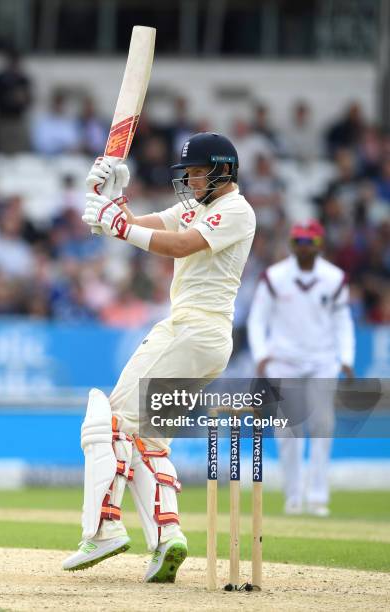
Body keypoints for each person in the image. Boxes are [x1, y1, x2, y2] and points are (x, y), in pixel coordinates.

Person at [62, 132, 256, 582]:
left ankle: (104, 528)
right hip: (202, 339)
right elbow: (140, 224)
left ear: (223, 170)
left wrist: (121, 226)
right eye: (186, 171)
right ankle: (168, 539)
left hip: (194, 330)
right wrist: (111, 199)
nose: (189, 179)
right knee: (148, 438)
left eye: (197, 171)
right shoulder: (199, 206)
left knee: (108, 422)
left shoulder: (236, 211)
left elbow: (180, 245)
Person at [247, 220, 355, 517]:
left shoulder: (334, 278)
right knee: (288, 431)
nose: (304, 248)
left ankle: (318, 496)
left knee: (322, 426)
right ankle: (294, 496)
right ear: (292, 244)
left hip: (323, 360)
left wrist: (346, 357)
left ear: (319, 245)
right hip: (284, 360)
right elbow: (257, 319)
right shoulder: (275, 277)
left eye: (310, 242)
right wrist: (261, 354)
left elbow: (342, 321)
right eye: (299, 242)